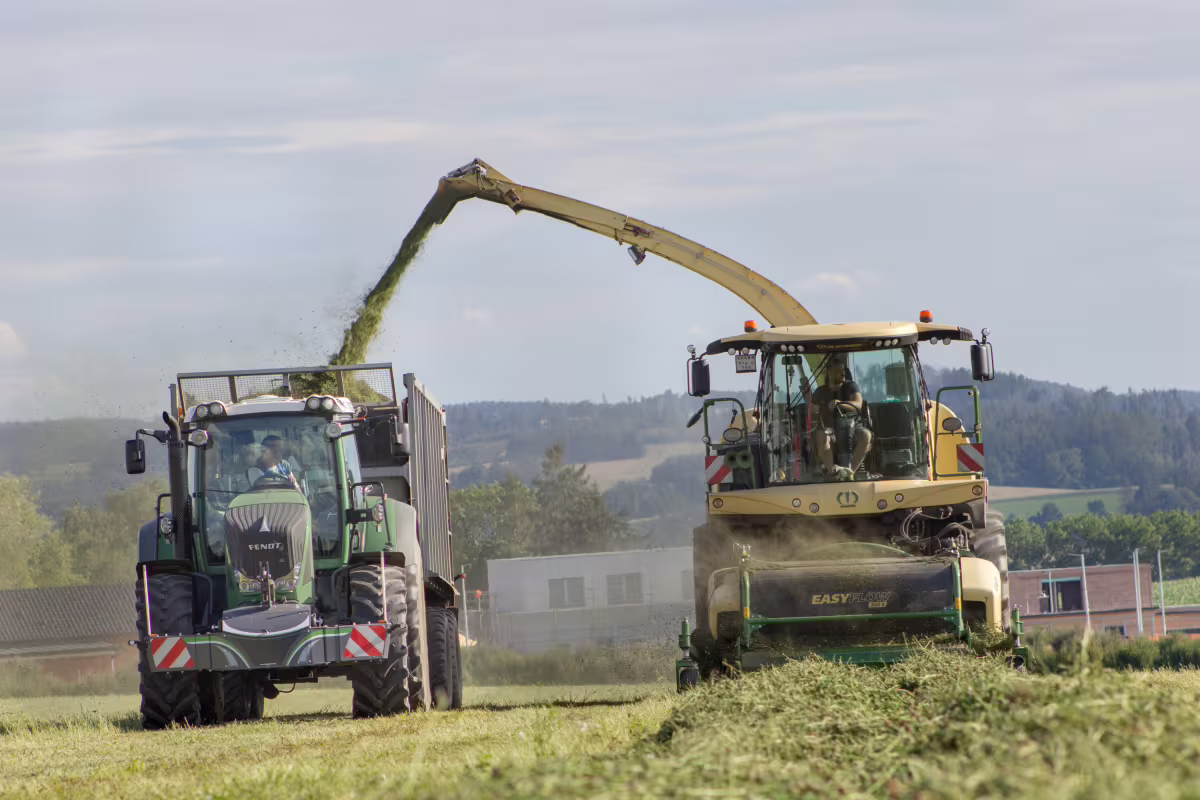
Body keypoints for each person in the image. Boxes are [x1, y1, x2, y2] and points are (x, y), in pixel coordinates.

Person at [811, 355, 873, 481]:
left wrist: (840, 403)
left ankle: (849, 472)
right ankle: (832, 474)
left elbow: (858, 405)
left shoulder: (851, 387)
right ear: (828, 372)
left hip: (854, 426)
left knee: (866, 435)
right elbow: (812, 412)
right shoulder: (820, 391)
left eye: (843, 370)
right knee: (821, 436)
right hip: (829, 428)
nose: (842, 373)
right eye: (838, 370)